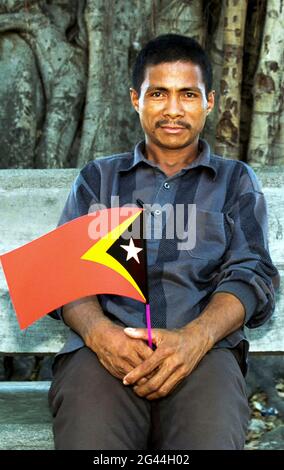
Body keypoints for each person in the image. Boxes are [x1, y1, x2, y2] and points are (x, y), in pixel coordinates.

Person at [48, 34, 279, 450]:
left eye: (187, 94)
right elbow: (67, 279)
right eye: (158, 93)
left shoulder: (234, 181)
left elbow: (252, 274)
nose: (173, 109)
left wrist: (196, 338)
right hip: (103, 356)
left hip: (205, 355)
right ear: (136, 98)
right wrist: (102, 336)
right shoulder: (99, 179)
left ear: (209, 101)